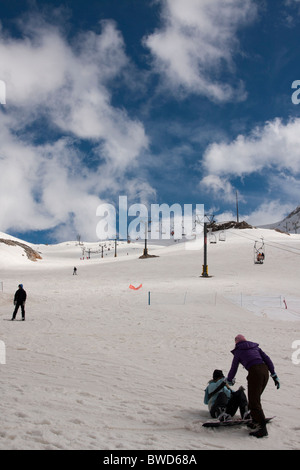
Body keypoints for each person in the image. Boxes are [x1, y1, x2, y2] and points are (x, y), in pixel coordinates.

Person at [226, 334, 280, 438]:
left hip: (255, 372)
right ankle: (255, 421)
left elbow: (234, 367)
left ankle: (262, 429)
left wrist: (229, 380)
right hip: (265, 371)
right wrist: (274, 375)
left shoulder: (238, 351)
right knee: (254, 400)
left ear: (236, 342)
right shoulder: (256, 348)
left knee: (254, 402)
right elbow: (267, 359)